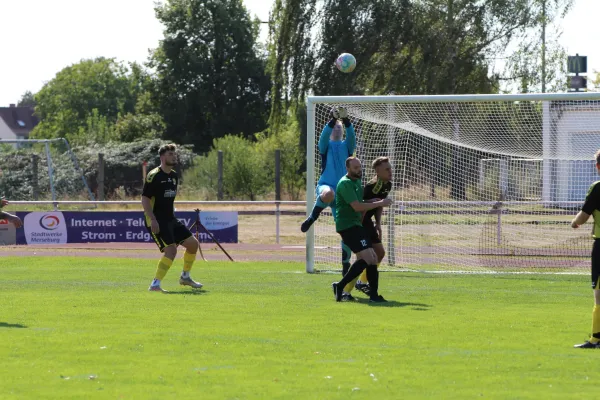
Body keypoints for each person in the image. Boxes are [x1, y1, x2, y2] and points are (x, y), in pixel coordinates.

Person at [301, 107, 356, 273]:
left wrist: (346, 120)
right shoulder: (325, 146)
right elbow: (323, 136)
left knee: (345, 230)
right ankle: (312, 218)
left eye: (340, 127)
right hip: (326, 185)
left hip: (343, 193)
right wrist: (332, 120)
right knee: (328, 193)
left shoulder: (347, 145)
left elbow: (352, 136)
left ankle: (345, 265)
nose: (337, 129)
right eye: (335, 127)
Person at [142, 144, 202, 293]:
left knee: (193, 244)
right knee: (171, 250)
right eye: (170, 154)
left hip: (170, 219)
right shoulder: (154, 175)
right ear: (162, 157)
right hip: (156, 220)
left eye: (174, 154)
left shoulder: (174, 176)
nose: (174, 156)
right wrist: (153, 219)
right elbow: (145, 199)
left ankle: (185, 277)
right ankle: (155, 285)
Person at [331, 157, 392, 303]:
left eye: (360, 167)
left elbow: (361, 203)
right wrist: (379, 202)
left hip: (357, 224)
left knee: (373, 258)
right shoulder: (346, 183)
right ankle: (344, 288)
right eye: (355, 167)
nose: (359, 170)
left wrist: (373, 204)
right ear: (348, 168)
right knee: (367, 258)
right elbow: (357, 207)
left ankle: (372, 295)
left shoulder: (357, 182)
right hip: (348, 225)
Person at [571, 149, 600, 348]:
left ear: (598, 166)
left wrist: (574, 223)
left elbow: (583, 216)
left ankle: (597, 338)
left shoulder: (597, 188)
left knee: (599, 293)